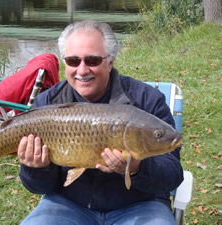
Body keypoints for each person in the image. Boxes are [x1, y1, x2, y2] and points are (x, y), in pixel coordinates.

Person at [18, 20, 183, 225]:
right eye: (73, 61)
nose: (82, 69)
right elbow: (37, 187)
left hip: (141, 204)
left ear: (111, 60)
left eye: (93, 60)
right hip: (68, 205)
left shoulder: (148, 100)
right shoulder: (48, 104)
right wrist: (36, 168)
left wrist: (137, 168)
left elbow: (173, 175)